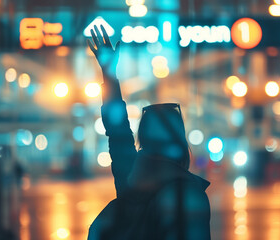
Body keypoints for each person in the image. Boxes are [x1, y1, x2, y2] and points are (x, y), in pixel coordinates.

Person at [86, 25, 211, 240]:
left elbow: (118, 132)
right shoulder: (188, 194)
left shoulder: (131, 179)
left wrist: (109, 75)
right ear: (179, 140)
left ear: (142, 139)